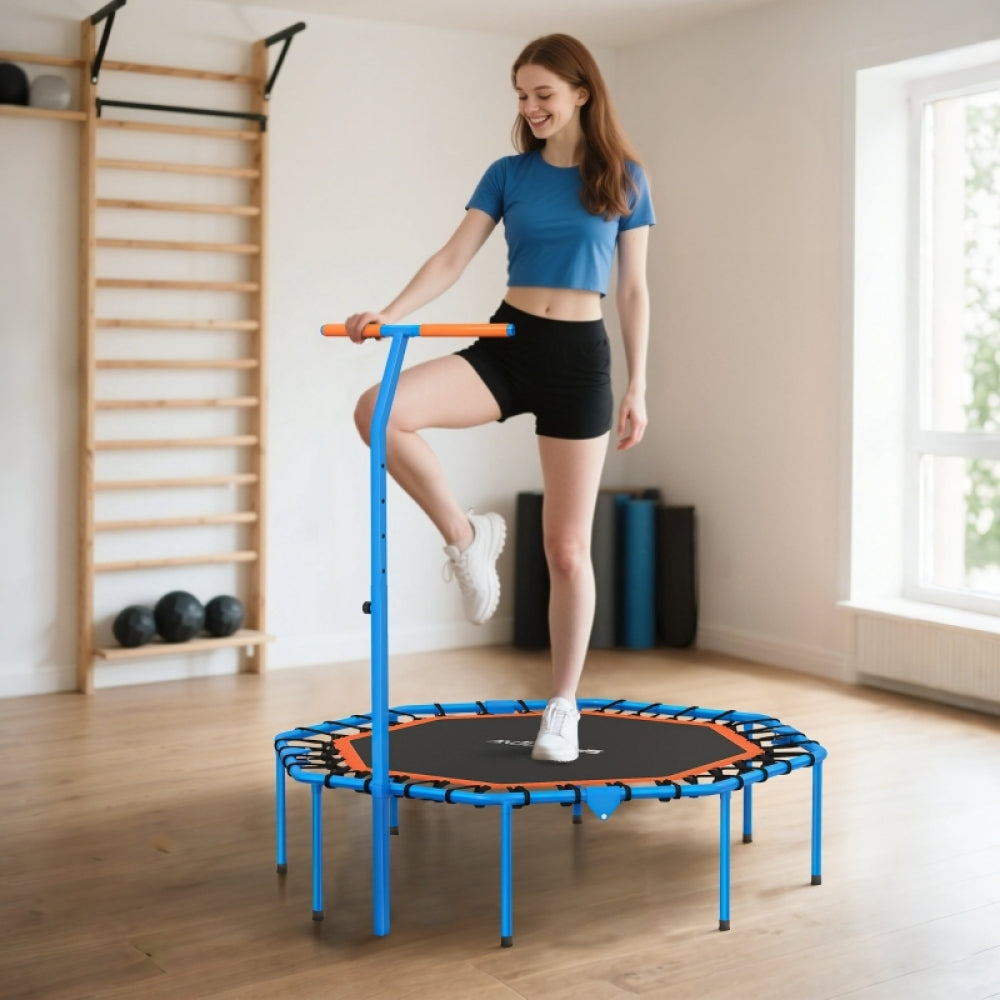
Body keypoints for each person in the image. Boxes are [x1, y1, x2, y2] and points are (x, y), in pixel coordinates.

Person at [346, 33, 654, 764]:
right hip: (509, 343)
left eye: (543, 93)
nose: (531, 107)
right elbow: (453, 257)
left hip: (579, 361)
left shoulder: (625, 178)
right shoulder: (508, 173)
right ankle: (465, 536)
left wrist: (639, 384)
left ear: (581, 92)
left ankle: (562, 707)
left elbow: (634, 290)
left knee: (566, 549)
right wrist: (391, 311)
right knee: (378, 411)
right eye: (522, 95)